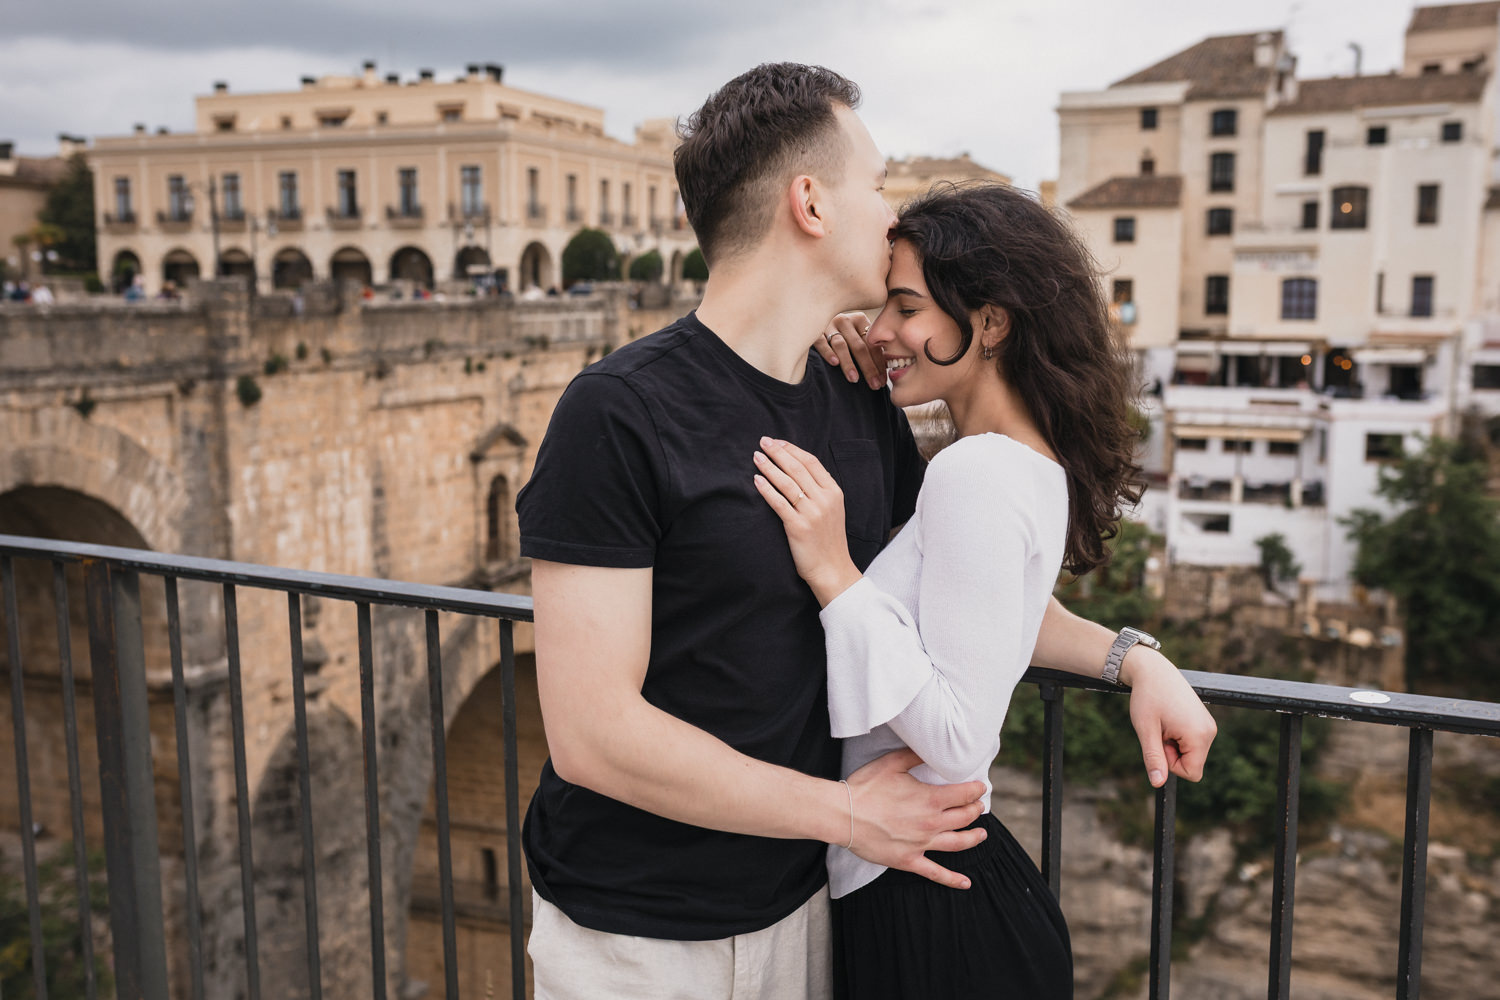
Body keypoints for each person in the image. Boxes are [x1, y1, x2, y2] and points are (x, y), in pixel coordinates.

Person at [517, 63, 1214, 1000]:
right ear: (810, 202)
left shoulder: (854, 400)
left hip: (812, 911)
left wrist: (1132, 660)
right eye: (878, 185)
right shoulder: (617, 412)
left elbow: (961, 592)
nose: (892, 216)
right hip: (642, 933)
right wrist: (845, 813)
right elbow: (592, 734)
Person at [752, 182, 1215, 997]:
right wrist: (1136, 659)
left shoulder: (973, 472)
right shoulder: (1027, 462)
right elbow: (997, 618)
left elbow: (959, 739)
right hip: (951, 888)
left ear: (992, 323)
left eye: (906, 308)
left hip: (929, 910)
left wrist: (834, 574)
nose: (881, 330)